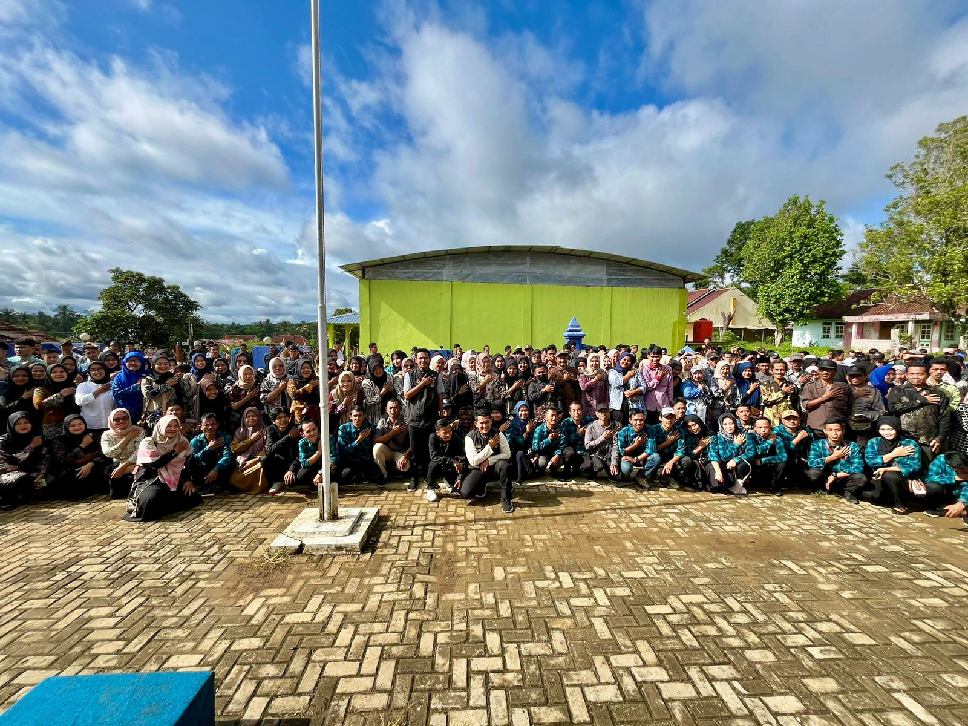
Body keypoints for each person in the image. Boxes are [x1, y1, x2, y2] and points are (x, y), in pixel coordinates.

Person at [126, 415, 199, 522]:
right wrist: (174, 452)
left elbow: (187, 462)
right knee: (150, 501)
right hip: (151, 479)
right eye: (168, 426)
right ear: (161, 426)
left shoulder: (182, 441)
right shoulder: (148, 442)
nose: (172, 429)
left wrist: (188, 480)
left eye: (176, 426)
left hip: (174, 478)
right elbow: (153, 465)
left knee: (192, 495)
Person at [887, 360, 950, 462]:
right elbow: (893, 408)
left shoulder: (937, 394)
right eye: (912, 374)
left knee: (929, 468)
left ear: (927, 374)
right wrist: (921, 400)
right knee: (904, 468)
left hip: (929, 441)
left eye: (919, 374)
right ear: (906, 375)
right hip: (903, 440)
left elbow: (944, 418)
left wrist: (939, 438)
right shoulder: (898, 391)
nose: (915, 377)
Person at [864, 416, 922, 514]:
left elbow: (914, 466)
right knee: (873, 497)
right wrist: (893, 454)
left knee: (890, 475)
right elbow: (870, 461)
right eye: (882, 429)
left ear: (897, 428)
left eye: (890, 429)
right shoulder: (874, 442)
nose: (887, 432)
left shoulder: (909, 443)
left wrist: (886, 469)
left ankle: (900, 504)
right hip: (878, 477)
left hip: (902, 478)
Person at [46, 414, 109, 499]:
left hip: (93, 467)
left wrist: (91, 464)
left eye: (80, 424)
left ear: (85, 424)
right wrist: (82, 445)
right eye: (72, 426)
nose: (77, 427)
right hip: (71, 470)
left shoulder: (92, 436)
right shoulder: (60, 440)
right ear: (67, 427)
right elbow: (64, 460)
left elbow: (103, 454)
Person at [462, 410, 514, 512]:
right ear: (476, 423)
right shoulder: (470, 437)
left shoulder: (498, 434)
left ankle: (506, 498)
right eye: (481, 423)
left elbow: (507, 454)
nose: (485, 426)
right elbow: (473, 461)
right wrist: (489, 448)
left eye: (487, 422)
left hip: (495, 467)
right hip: (478, 469)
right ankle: (481, 487)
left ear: (491, 421)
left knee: (505, 465)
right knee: (466, 493)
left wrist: (489, 460)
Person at [402, 349, 439, 493]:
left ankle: (429, 478)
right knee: (414, 450)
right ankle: (414, 478)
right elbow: (407, 395)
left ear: (429, 359)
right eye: (420, 358)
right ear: (416, 360)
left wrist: (441, 412)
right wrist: (422, 384)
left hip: (431, 418)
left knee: (429, 449)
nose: (423, 360)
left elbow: (440, 394)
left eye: (425, 358)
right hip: (414, 418)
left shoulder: (435, 375)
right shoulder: (409, 375)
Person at [806, 420, 868, 502]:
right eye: (830, 430)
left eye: (837, 430)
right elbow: (811, 463)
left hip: (843, 477)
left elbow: (858, 467)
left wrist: (835, 475)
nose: (834, 433)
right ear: (825, 431)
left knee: (861, 478)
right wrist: (833, 457)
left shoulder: (852, 446)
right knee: (813, 473)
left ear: (843, 431)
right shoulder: (817, 444)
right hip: (825, 477)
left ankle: (848, 492)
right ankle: (821, 489)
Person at [0, 411, 45, 509]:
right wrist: (31, 446)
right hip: (8, 474)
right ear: (12, 425)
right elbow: (11, 462)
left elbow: (45, 457)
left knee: (51, 479)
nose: (23, 425)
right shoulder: (3, 441)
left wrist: (42, 473)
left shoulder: (37, 437)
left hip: (33, 473)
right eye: (18, 423)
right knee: (21, 478)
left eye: (26, 422)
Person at [141, 355, 195, 429]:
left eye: (166, 363)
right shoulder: (148, 379)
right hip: (156, 418)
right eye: (159, 363)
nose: (163, 366)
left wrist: (183, 380)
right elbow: (149, 395)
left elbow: (187, 394)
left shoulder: (174, 378)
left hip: (176, 416)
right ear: (153, 365)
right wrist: (166, 385)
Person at [188, 413, 235, 495]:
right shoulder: (195, 441)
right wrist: (208, 449)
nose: (210, 427)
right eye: (206, 425)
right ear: (201, 427)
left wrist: (216, 469)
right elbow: (193, 459)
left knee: (230, 463)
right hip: (203, 470)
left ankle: (220, 486)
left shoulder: (225, 437)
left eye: (213, 424)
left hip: (219, 469)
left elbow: (227, 456)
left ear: (218, 425)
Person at [801, 360, 852, 437]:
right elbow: (806, 405)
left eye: (828, 370)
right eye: (822, 370)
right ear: (818, 371)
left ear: (835, 371)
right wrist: (824, 397)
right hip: (817, 428)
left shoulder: (843, 387)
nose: (825, 372)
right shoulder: (810, 386)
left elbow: (850, 405)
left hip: (837, 428)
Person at [531, 406, 581, 480]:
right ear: (546, 417)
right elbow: (535, 447)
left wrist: (557, 454)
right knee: (542, 463)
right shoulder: (539, 429)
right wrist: (548, 440)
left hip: (554, 452)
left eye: (556, 415)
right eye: (552, 415)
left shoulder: (561, 428)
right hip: (543, 453)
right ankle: (540, 471)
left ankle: (553, 469)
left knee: (560, 460)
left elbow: (562, 445)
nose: (554, 418)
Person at [915, 451, 968, 520]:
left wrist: (962, 502)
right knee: (934, 487)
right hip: (943, 491)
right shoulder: (940, 460)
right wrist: (955, 478)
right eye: (961, 469)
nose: (964, 471)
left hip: (959, 494)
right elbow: (930, 478)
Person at [707, 413, 750, 495]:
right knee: (716, 485)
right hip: (719, 465)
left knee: (742, 467)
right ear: (721, 425)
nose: (729, 427)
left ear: (735, 423)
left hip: (732, 466)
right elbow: (722, 457)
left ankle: (737, 484)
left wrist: (735, 460)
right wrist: (736, 445)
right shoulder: (716, 437)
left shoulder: (741, 435)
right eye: (725, 424)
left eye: (731, 423)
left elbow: (749, 452)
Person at [336, 406, 381, 484]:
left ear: (364, 416)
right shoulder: (343, 429)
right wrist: (358, 441)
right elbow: (344, 450)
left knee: (379, 478)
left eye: (360, 415)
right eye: (355, 416)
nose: (357, 418)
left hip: (365, 461)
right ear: (350, 417)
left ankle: (363, 476)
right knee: (345, 476)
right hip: (349, 461)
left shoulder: (369, 428)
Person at [33, 363, 79, 437]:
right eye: (54, 372)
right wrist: (60, 395)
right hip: (53, 427)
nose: (58, 374)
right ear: (48, 374)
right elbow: (39, 405)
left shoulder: (72, 387)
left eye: (62, 371)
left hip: (74, 425)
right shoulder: (41, 389)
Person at [228, 407, 268, 494]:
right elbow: (234, 449)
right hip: (242, 461)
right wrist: (251, 439)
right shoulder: (240, 431)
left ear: (259, 417)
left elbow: (267, 448)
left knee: (260, 466)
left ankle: (253, 488)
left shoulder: (266, 430)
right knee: (234, 478)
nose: (251, 418)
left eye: (254, 416)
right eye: (248, 416)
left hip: (258, 459)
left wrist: (255, 459)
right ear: (244, 418)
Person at [616, 410, 660, 486]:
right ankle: (625, 478)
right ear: (630, 420)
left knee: (656, 457)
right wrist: (635, 445)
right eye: (635, 420)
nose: (639, 423)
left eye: (641, 420)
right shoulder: (623, 431)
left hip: (643, 457)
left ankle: (641, 476)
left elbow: (650, 450)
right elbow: (622, 452)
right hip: (628, 457)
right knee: (626, 468)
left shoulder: (650, 429)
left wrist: (636, 459)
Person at [744, 417, 787, 495]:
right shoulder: (750, 437)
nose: (763, 430)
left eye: (766, 427)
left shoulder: (777, 439)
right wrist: (769, 443)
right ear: (755, 428)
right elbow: (754, 452)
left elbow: (784, 456)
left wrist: (764, 460)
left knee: (782, 464)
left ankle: (775, 487)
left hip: (768, 466)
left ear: (770, 428)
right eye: (760, 427)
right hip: (754, 466)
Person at [845, 365, 885, 449]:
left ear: (865, 376)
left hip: (865, 429)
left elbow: (880, 411)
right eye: (852, 376)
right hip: (845, 428)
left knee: (862, 450)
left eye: (858, 375)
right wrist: (853, 396)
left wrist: (866, 416)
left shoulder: (874, 392)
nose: (855, 378)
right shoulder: (844, 390)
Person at [427, 417, 465, 501]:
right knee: (433, 464)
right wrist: (452, 461)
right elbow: (434, 456)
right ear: (438, 433)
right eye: (445, 432)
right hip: (439, 464)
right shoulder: (433, 437)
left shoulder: (455, 438)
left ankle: (450, 482)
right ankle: (430, 488)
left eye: (450, 431)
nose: (448, 435)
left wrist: (460, 477)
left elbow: (461, 457)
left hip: (451, 466)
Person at [264, 408, 301, 495]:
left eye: (285, 416)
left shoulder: (294, 429)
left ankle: (286, 480)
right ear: (273, 421)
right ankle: (276, 482)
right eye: (279, 418)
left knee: (294, 482)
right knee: (265, 460)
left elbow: (298, 453)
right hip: (278, 462)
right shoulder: (271, 429)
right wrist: (288, 437)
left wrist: (291, 470)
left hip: (293, 461)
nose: (283, 420)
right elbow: (269, 450)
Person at [372, 399, 410, 482]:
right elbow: (376, 440)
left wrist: (405, 457)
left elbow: (412, 444)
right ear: (386, 409)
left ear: (400, 409)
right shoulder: (382, 421)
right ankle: (383, 474)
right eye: (390, 408)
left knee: (404, 468)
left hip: (400, 452)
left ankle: (392, 468)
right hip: (387, 451)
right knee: (377, 447)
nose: (393, 410)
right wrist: (393, 432)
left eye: (395, 407)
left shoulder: (406, 422)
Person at [583, 404, 620, 481]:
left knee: (615, 475)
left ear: (609, 413)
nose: (604, 414)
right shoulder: (591, 427)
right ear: (596, 413)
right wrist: (602, 438)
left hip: (608, 455)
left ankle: (609, 470)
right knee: (598, 466)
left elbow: (615, 446)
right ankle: (592, 472)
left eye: (606, 411)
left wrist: (614, 463)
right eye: (601, 412)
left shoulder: (615, 426)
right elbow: (587, 445)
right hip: (595, 454)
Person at [75, 361, 115, 432]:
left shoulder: (113, 384)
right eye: (92, 370)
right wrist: (99, 391)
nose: (96, 372)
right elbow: (79, 401)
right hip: (91, 426)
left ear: (105, 370)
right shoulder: (84, 386)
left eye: (99, 368)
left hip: (111, 425)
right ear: (89, 372)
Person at [111, 352, 148, 425]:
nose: (133, 363)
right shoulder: (119, 377)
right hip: (125, 413)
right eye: (130, 360)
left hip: (145, 413)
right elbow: (116, 394)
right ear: (125, 362)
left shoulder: (147, 375)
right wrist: (136, 387)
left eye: (137, 361)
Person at [506, 400, 537, 484]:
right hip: (515, 455)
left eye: (526, 410)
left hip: (528, 455)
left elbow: (534, 441)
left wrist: (535, 454)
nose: (524, 413)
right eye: (521, 410)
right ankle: (519, 478)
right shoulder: (512, 424)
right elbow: (515, 442)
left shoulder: (531, 423)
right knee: (519, 453)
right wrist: (527, 432)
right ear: (517, 411)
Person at [759, 360, 798, 426]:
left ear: (786, 371)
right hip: (771, 420)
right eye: (777, 369)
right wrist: (783, 392)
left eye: (782, 370)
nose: (779, 372)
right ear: (772, 370)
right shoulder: (765, 385)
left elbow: (795, 404)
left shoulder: (791, 385)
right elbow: (766, 401)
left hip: (787, 420)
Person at [288, 359, 321, 425]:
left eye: (308, 368)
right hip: (300, 415)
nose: (306, 370)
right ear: (298, 369)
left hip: (315, 414)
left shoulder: (315, 379)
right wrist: (310, 385)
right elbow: (294, 395)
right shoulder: (293, 381)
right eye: (303, 368)